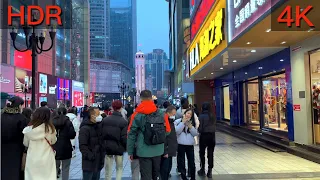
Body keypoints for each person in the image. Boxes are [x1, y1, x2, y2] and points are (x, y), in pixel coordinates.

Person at [127, 90, 171, 180]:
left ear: (141, 99)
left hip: (143, 150)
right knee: (155, 175)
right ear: (151, 98)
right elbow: (168, 131)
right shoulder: (162, 114)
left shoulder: (136, 115)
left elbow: (131, 134)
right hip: (158, 150)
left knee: (146, 176)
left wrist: (130, 151)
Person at [22, 107, 57, 180]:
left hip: (32, 158)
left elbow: (25, 143)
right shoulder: (50, 129)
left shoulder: (29, 130)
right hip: (47, 158)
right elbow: (53, 141)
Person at [1, 96, 27, 180]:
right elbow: (24, 135)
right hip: (17, 149)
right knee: (15, 170)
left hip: (3, 148)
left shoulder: (2, 116)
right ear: (19, 106)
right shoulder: (21, 118)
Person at [102, 100, 128, 180]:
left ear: (112, 108)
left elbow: (102, 134)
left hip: (108, 147)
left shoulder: (105, 120)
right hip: (119, 147)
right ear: (121, 108)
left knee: (108, 169)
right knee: (119, 168)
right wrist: (126, 147)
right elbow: (124, 137)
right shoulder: (123, 122)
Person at [79, 107, 105, 180]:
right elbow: (83, 146)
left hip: (98, 161)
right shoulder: (84, 129)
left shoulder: (99, 126)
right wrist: (91, 156)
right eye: (98, 114)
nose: (99, 116)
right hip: (89, 163)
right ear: (92, 115)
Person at [52, 107, 76, 179]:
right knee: (66, 168)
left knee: (54, 168)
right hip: (66, 147)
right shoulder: (68, 122)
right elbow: (72, 135)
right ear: (66, 112)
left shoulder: (52, 122)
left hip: (54, 147)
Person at [174, 108, 198, 180]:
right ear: (184, 114)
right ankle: (184, 177)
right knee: (182, 162)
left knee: (191, 162)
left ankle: (193, 177)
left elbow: (195, 134)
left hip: (190, 145)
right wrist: (183, 123)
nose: (188, 115)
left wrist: (190, 127)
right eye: (188, 113)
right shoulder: (177, 121)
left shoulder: (192, 123)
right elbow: (177, 131)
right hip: (181, 144)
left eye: (190, 114)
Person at [197, 102, 216, 178]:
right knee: (210, 153)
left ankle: (202, 169)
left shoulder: (201, 116)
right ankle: (210, 171)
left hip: (204, 136)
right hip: (212, 136)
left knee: (202, 153)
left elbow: (200, 128)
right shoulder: (212, 116)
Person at [160, 105, 177, 180]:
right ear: (168, 113)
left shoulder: (170, 121)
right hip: (166, 150)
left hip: (170, 149)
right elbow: (164, 137)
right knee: (164, 170)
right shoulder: (164, 122)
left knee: (168, 168)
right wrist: (165, 151)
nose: (174, 116)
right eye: (173, 114)